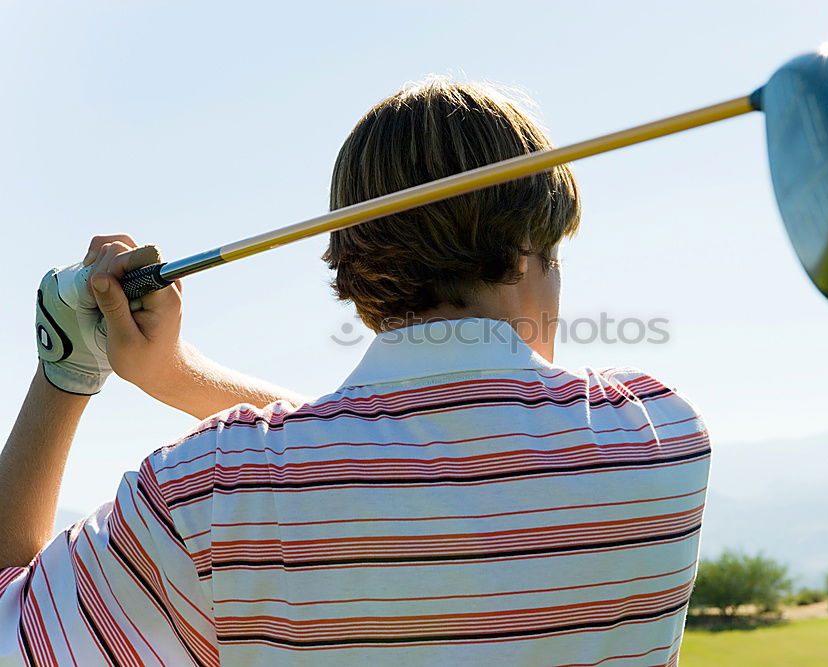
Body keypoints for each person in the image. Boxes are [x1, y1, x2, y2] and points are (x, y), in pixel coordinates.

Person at [0, 78, 710, 666]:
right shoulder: (662, 435)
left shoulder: (209, 488)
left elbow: (13, 621)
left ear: (356, 263)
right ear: (530, 251)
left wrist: (66, 369)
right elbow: (412, 455)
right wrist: (181, 376)